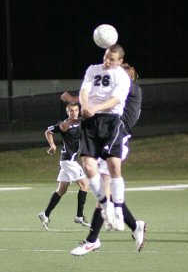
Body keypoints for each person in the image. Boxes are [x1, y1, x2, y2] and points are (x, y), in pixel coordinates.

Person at [61, 63, 146, 251]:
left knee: (104, 194)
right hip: (107, 138)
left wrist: (74, 99)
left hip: (116, 140)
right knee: (107, 195)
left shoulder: (128, 86)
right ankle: (135, 226)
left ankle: (92, 240)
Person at [68, 44, 131, 256]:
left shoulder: (122, 76)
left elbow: (116, 99)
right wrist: (86, 106)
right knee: (88, 166)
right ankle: (106, 205)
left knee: (113, 166)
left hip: (110, 121)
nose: (107, 62)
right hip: (90, 122)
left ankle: (119, 209)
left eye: (112, 59)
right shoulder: (93, 69)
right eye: (106, 57)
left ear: (120, 61)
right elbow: (84, 90)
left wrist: (96, 108)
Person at [38, 102, 90, 230]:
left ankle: (45, 214)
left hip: (67, 161)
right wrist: (53, 145)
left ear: (79, 111)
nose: (74, 112)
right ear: (68, 112)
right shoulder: (64, 125)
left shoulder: (80, 122)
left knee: (61, 190)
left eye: (76, 110)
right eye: (71, 111)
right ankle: (79, 216)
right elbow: (48, 132)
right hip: (68, 161)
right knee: (84, 186)